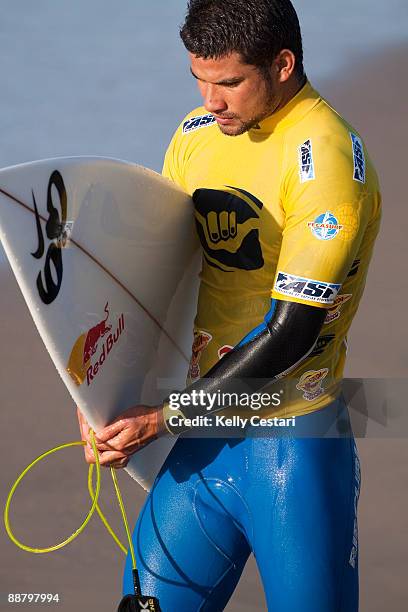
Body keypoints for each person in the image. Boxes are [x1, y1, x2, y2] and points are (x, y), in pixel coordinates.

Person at [77, 1, 381, 609]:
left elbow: (290, 334)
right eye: (199, 78)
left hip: (292, 451)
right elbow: (153, 278)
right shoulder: (197, 136)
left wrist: (160, 421)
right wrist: (98, 399)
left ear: (284, 63)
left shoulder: (325, 164)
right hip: (203, 442)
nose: (210, 101)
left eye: (229, 83)